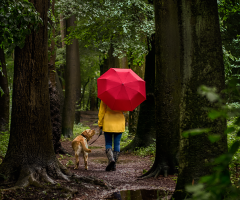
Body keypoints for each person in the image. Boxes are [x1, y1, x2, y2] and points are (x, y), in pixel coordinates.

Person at [98, 100, 126, 171]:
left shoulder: (105, 97)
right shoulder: (123, 97)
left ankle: (111, 159)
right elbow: (125, 110)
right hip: (119, 123)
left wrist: (100, 124)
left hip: (108, 122)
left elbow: (101, 111)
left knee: (108, 143)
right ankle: (114, 165)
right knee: (117, 144)